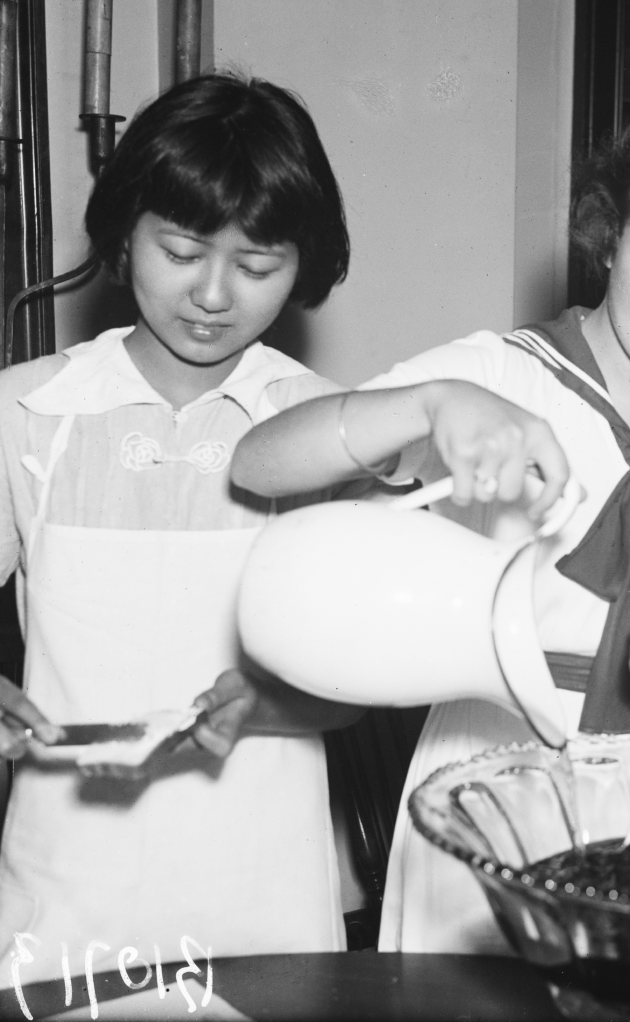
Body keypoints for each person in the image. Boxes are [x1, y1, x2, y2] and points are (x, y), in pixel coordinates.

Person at [230, 102, 630, 953]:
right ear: (608, 238)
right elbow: (259, 461)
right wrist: (429, 406)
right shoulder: (500, 376)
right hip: (495, 777)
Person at [0, 74, 363, 987]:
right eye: (182, 250)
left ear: (303, 264)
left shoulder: (327, 429)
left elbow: (359, 682)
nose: (211, 294)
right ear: (126, 235)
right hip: (63, 885)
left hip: (260, 886)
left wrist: (272, 707)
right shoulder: (29, 413)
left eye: (256, 266)